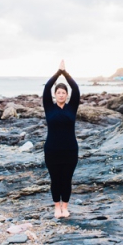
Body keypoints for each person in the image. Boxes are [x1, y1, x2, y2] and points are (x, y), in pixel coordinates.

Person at [42, 59, 79, 219]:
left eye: (64, 93)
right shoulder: (49, 107)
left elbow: (76, 88)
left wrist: (66, 73)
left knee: (67, 179)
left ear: (67, 95)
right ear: (55, 95)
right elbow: (46, 87)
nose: (61, 94)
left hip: (70, 150)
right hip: (52, 150)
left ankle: (65, 207)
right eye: (58, 93)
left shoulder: (72, 107)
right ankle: (57, 207)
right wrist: (58, 72)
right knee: (55, 179)